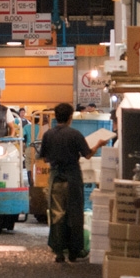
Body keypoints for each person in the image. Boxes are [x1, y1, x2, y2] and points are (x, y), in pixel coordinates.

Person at [39, 103, 110, 263]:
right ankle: (73, 252)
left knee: (57, 214)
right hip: (73, 177)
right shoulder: (75, 134)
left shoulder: (48, 135)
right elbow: (87, 155)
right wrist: (98, 144)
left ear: (56, 117)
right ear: (70, 117)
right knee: (75, 214)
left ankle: (58, 252)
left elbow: (45, 158)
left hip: (56, 177)